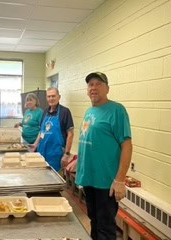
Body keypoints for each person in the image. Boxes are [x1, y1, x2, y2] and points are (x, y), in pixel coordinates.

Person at [75, 72, 133, 239]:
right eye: (90, 84)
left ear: (107, 88)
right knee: (94, 221)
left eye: (98, 84)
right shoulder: (89, 111)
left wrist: (120, 180)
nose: (93, 87)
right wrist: (78, 165)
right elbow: (88, 141)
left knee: (106, 227)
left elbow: (127, 145)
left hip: (106, 182)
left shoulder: (116, 110)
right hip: (89, 178)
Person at [31, 87, 74, 173]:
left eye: (53, 96)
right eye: (49, 96)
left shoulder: (65, 112)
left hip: (56, 154)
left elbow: (71, 134)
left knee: (55, 179)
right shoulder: (45, 111)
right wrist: (35, 144)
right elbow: (42, 131)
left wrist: (67, 154)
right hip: (42, 152)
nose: (51, 98)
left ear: (59, 97)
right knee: (42, 177)